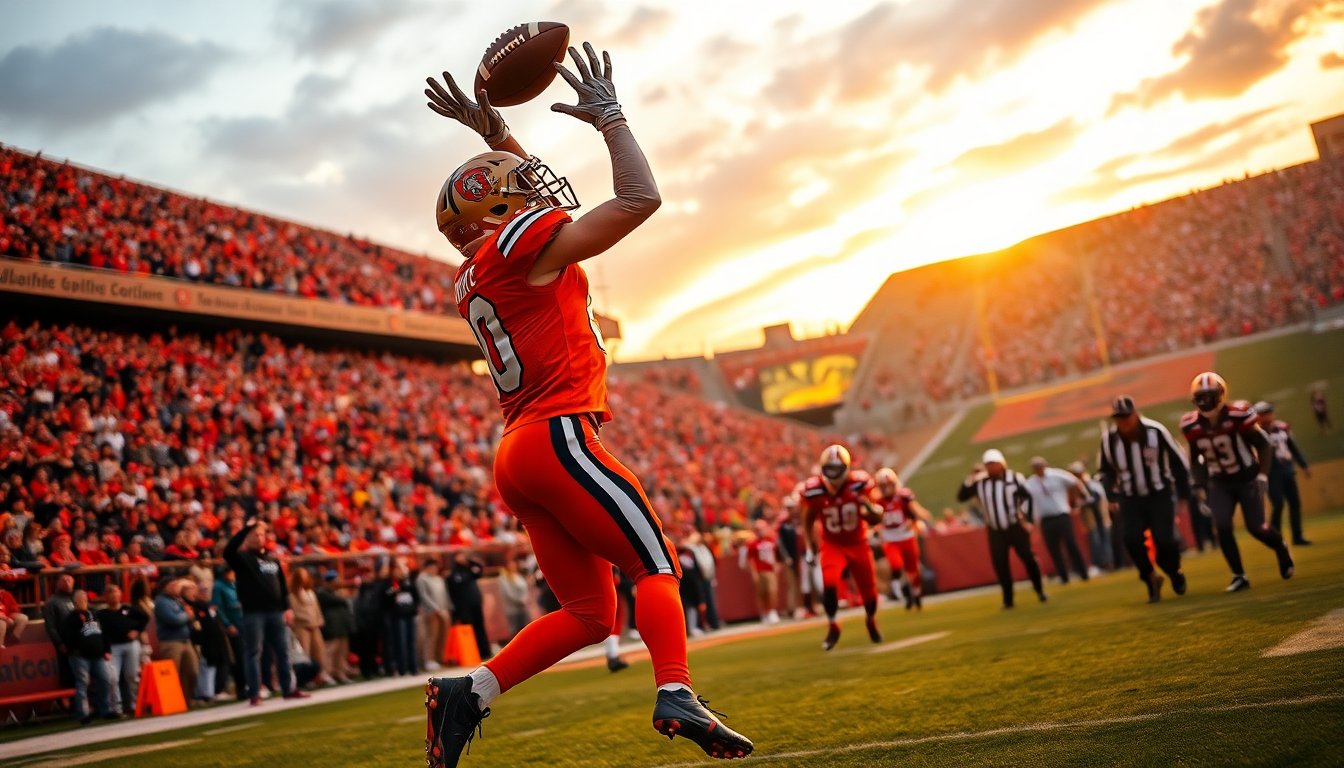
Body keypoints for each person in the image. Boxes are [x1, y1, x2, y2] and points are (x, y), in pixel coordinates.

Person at [422, 42, 752, 766]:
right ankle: (675, 689)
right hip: (559, 436)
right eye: (519, 188)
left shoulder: (479, 268)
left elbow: (525, 205)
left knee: (590, 614)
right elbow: (639, 199)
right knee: (656, 565)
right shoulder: (519, 246)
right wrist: (612, 120)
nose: (538, 189)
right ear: (500, 211)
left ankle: (469, 692)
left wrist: (495, 135)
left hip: (518, 452)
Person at [1181, 373, 1294, 592]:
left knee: (1257, 528)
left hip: (1247, 478)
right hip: (1219, 481)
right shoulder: (1191, 424)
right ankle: (1239, 575)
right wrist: (1200, 486)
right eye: (1200, 397)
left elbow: (1263, 444)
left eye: (1208, 396)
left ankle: (1280, 546)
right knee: (1222, 526)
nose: (1204, 401)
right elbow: (1195, 458)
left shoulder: (1238, 416)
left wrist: (1262, 475)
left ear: (1220, 395)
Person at [797, 444, 884, 650]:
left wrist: (869, 509)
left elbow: (877, 517)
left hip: (858, 542)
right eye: (830, 468)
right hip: (832, 544)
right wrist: (810, 546)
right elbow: (807, 520)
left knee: (869, 592)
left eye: (837, 468)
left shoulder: (860, 484)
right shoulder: (814, 490)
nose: (834, 473)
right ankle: (833, 625)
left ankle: (871, 620)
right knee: (829, 583)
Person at [224, 520, 307, 704]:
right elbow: (228, 551)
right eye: (255, 535)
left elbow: (282, 586)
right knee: (254, 653)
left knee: (283, 651)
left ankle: (288, 688)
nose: (259, 538)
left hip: (276, 612)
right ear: (247, 538)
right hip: (253, 613)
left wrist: (287, 607)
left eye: (261, 534)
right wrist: (246, 528)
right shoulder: (242, 559)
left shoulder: (273, 559)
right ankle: (254, 693)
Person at [957, 449, 1048, 609]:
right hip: (995, 530)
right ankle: (1008, 600)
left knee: (1029, 558)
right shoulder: (980, 482)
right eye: (987, 464)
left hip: (1015, 526)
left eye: (993, 463)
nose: (990, 467)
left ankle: (1039, 590)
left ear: (1001, 464)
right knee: (1000, 565)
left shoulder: (1015, 478)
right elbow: (961, 497)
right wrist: (970, 478)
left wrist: (1027, 519)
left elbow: (1028, 497)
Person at [1024, 456, 1091, 585]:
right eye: (1035, 467)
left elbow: (1074, 482)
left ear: (1045, 465)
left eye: (1039, 466)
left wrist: (1081, 497)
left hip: (1061, 515)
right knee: (1053, 549)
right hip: (1045, 520)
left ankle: (1083, 572)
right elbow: (1026, 500)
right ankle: (1064, 577)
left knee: (1071, 544)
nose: (1038, 469)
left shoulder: (1057, 475)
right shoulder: (1031, 483)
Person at [1254, 401, 1312, 545]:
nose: (1268, 416)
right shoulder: (1256, 432)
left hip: (1287, 469)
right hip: (1272, 473)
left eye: (1269, 412)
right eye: (1264, 414)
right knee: (1278, 504)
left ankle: (1297, 536)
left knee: (1294, 503)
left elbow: (1293, 447)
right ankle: (1275, 537)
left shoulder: (1282, 427)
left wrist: (1304, 464)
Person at [873, 468, 931, 610]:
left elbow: (917, 512)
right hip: (890, 538)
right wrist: (877, 529)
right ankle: (903, 590)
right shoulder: (877, 501)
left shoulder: (903, 496)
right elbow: (874, 521)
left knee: (913, 570)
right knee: (896, 565)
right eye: (883, 486)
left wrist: (915, 520)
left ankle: (915, 592)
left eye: (888, 485)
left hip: (906, 536)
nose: (886, 489)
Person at [59, 589, 115, 723]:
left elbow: (103, 633)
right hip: (80, 656)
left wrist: (107, 649)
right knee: (82, 684)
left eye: (84, 599)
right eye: (80, 600)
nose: (83, 602)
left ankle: (104, 710)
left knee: (105, 679)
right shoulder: (70, 619)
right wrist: (76, 648)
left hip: (98, 655)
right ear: (75, 602)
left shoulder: (93, 614)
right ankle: (83, 714)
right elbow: (67, 638)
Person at [96, 583, 147, 716]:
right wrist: (104, 649)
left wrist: (137, 630)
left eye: (115, 591)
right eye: (110, 592)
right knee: (113, 678)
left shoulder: (128, 609)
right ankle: (116, 708)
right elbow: (98, 632)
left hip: (131, 644)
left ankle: (136, 705)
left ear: (120, 594)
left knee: (132, 675)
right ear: (105, 596)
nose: (114, 595)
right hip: (113, 647)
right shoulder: (101, 614)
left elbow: (145, 618)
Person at [153, 578, 200, 706]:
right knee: (173, 674)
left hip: (185, 640)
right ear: (165, 586)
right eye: (173, 585)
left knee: (191, 671)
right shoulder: (161, 601)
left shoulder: (177, 600)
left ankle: (187, 700)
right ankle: (172, 701)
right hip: (171, 642)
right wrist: (187, 616)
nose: (177, 587)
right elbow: (173, 619)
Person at [1068, 461, 1113, 573]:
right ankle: (1101, 563)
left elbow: (1096, 498)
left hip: (1100, 515)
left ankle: (1107, 562)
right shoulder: (1076, 486)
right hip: (1091, 518)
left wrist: (1083, 502)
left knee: (1102, 539)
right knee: (1095, 539)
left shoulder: (1091, 483)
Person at [445, 551, 489, 661]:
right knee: (470, 629)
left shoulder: (469, 568)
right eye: (461, 556)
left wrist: (472, 561)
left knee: (480, 627)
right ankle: (473, 653)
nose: (463, 558)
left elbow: (479, 571)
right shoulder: (454, 573)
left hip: (475, 603)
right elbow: (454, 591)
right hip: (464, 606)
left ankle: (485, 652)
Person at [289, 567, 330, 684]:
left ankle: (321, 674)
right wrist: (308, 620)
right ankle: (306, 678)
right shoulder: (292, 595)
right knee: (304, 653)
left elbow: (317, 608)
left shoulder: (310, 593)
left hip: (315, 626)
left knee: (319, 651)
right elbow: (295, 611)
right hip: (302, 627)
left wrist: (319, 620)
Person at [212, 566, 247, 700]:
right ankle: (241, 687)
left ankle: (249, 684)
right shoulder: (218, 587)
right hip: (234, 624)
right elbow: (218, 608)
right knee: (239, 657)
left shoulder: (234, 584)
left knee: (247, 655)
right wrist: (227, 624)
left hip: (243, 622)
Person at [737, 518, 780, 623]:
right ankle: (765, 613)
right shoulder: (752, 544)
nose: (760, 531)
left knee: (772, 591)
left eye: (762, 528)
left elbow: (777, 554)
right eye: (758, 529)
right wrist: (754, 572)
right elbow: (750, 560)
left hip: (770, 570)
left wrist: (777, 565)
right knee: (762, 593)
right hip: (760, 570)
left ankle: (772, 611)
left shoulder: (771, 540)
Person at [316, 570, 355, 684]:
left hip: (342, 627)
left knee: (341, 653)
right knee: (330, 653)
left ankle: (340, 673)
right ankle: (327, 674)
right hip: (331, 628)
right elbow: (342, 601)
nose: (338, 582)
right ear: (329, 581)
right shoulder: (323, 593)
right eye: (336, 580)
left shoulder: (337, 592)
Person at [383, 560, 420, 677]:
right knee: (401, 642)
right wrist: (394, 591)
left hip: (409, 614)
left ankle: (413, 667)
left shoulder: (408, 582)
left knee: (411, 641)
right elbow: (385, 598)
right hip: (398, 616)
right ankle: (402, 668)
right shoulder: (389, 583)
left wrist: (414, 608)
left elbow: (416, 596)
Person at [416, 558, 452, 670]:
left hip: (443, 610)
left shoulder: (438, 579)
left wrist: (447, 607)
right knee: (431, 636)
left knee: (442, 635)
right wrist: (436, 608)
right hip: (430, 612)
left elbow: (445, 594)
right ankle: (429, 660)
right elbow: (424, 596)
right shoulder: (422, 578)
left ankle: (439, 658)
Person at [41, 573, 76, 688]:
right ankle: (67, 698)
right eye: (64, 580)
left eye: (69, 580)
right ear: (57, 583)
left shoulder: (76, 598)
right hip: (64, 643)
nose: (67, 582)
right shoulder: (52, 602)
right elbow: (50, 626)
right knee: (66, 672)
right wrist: (59, 643)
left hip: (79, 643)